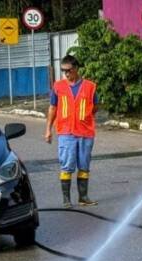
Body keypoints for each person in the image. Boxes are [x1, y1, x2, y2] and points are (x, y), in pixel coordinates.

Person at [45, 54, 98, 208]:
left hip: (85, 132)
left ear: (76, 69)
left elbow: (95, 106)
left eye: (68, 70)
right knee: (67, 165)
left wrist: (85, 117)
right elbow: (53, 108)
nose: (66, 74)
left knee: (84, 165)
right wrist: (48, 129)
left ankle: (83, 197)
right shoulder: (58, 86)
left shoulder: (90, 86)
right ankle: (66, 200)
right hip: (66, 132)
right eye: (63, 71)